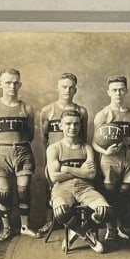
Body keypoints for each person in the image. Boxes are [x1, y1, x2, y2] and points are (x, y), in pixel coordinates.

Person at [0, 68, 40, 241]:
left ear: (20, 84)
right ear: (0, 84)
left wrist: (16, 144)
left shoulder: (26, 108)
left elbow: (30, 134)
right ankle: (6, 228)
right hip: (1, 151)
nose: (12, 86)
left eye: (15, 83)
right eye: (8, 82)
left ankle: (24, 226)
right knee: (4, 192)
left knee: (24, 191)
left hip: (22, 151)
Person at [45, 110, 109, 253]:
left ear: (80, 126)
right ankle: (87, 236)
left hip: (85, 187)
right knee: (61, 212)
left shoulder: (86, 148)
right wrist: (81, 171)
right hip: (61, 189)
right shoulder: (54, 148)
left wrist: (66, 168)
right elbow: (55, 177)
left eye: (76, 124)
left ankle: (76, 232)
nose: (72, 127)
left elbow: (91, 174)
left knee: (104, 210)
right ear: (61, 126)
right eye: (68, 124)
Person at [38, 73, 90, 234]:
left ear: (75, 89)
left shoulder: (81, 111)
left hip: (75, 157)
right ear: (57, 88)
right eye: (64, 87)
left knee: (79, 187)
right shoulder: (48, 111)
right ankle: (50, 220)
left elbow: (84, 137)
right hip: (56, 157)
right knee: (52, 188)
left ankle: (78, 223)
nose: (67, 90)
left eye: (71, 87)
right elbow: (43, 138)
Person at [92, 76, 130, 242]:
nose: (118, 93)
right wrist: (106, 151)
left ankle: (119, 227)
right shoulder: (103, 114)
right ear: (108, 92)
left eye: (121, 89)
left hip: (129, 158)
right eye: (114, 90)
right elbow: (94, 143)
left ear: (126, 91)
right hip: (110, 159)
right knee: (110, 194)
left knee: (124, 195)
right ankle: (110, 228)